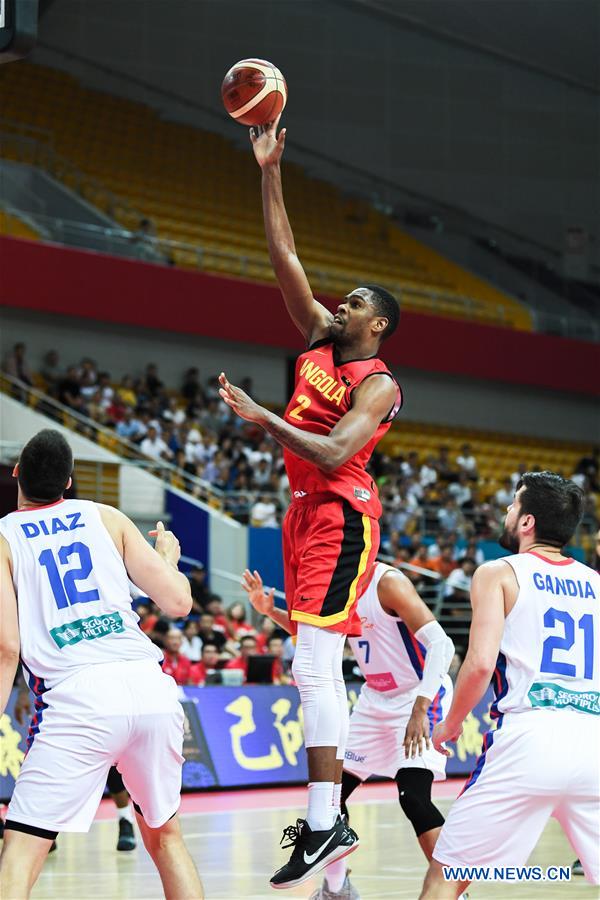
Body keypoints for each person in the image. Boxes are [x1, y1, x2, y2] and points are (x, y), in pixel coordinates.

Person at [218, 114, 403, 890]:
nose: (342, 303)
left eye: (356, 301)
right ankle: (329, 839)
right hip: (303, 513)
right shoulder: (320, 336)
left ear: (378, 324)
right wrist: (269, 170)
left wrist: (264, 416)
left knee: (315, 665)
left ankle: (326, 826)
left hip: (342, 513)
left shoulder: (379, 384)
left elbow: (332, 451)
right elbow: (284, 256)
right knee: (312, 667)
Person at [0, 429, 203, 899]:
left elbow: (8, 647)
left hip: (78, 698)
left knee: (20, 852)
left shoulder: (5, 536)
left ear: (17, 473)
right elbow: (178, 602)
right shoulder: (106, 516)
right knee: (166, 837)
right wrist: (167, 559)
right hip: (149, 687)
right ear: (69, 481)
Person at [419, 471, 599, 898]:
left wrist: (450, 725)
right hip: (593, 741)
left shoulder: (498, 572)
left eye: (514, 503)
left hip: (528, 737)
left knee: (448, 875)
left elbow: (480, 664)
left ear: (527, 522)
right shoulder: (596, 583)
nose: (507, 509)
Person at [242, 565, 454, 900]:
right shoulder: (340, 585)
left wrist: (420, 707)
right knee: (332, 797)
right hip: (374, 700)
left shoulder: (388, 583)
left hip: (418, 694)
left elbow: (442, 645)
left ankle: (453, 889)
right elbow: (315, 632)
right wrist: (270, 611)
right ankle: (337, 889)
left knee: (413, 797)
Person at [12, 678, 138, 852]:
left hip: (97, 698)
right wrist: (23, 693)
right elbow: (24, 661)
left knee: (109, 761)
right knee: (47, 764)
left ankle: (125, 819)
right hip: (59, 705)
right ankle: (43, 827)